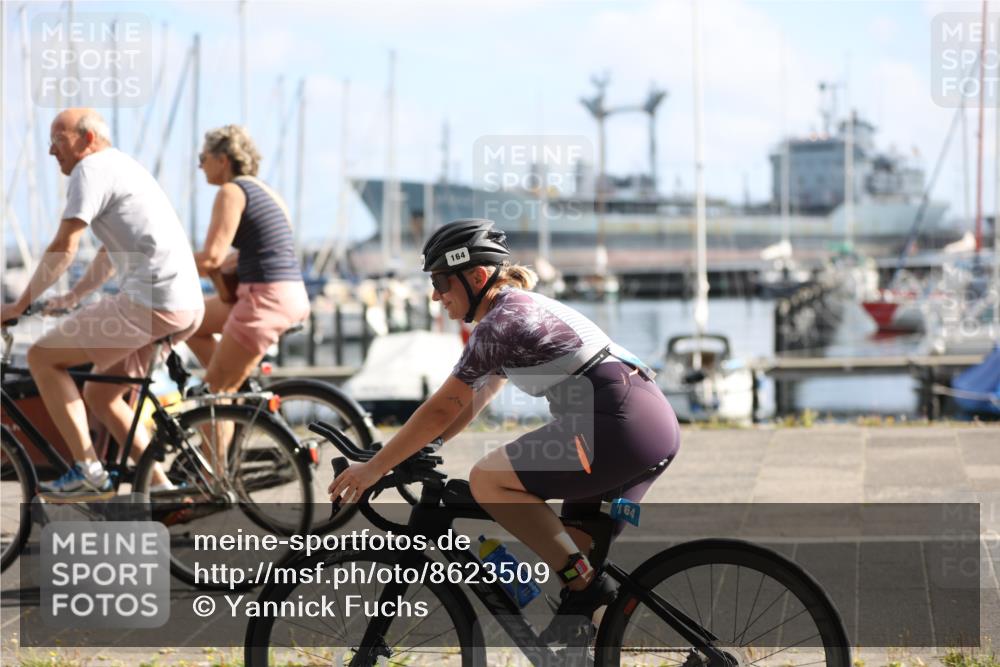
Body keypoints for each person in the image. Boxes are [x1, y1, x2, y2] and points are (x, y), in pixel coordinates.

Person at [328, 218, 681, 643]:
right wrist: (428, 446)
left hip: (620, 421)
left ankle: (590, 589)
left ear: (476, 277)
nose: (436, 295)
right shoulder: (514, 311)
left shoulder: (502, 323)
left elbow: (443, 406)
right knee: (571, 554)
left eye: (441, 282)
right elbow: (476, 397)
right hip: (644, 422)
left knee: (489, 480)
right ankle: (598, 622)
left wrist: (375, 468)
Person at [0, 108, 205, 499]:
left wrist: (17, 305)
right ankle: (160, 487)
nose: (50, 151)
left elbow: (64, 246)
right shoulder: (122, 167)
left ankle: (89, 471)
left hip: (152, 301)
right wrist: (73, 297)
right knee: (100, 394)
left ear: (87, 139)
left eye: (58, 139)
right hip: (182, 303)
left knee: (43, 357)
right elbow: (110, 254)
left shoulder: (89, 170)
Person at [184, 124, 310, 402]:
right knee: (185, 318)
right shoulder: (267, 192)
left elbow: (211, 258)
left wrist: (160, 268)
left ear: (222, 160)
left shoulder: (231, 191)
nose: (200, 166)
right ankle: (229, 383)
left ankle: (223, 392)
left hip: (264, 300)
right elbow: (264, 249)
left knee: (213, 397)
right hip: (288, 294)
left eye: (202, 159)